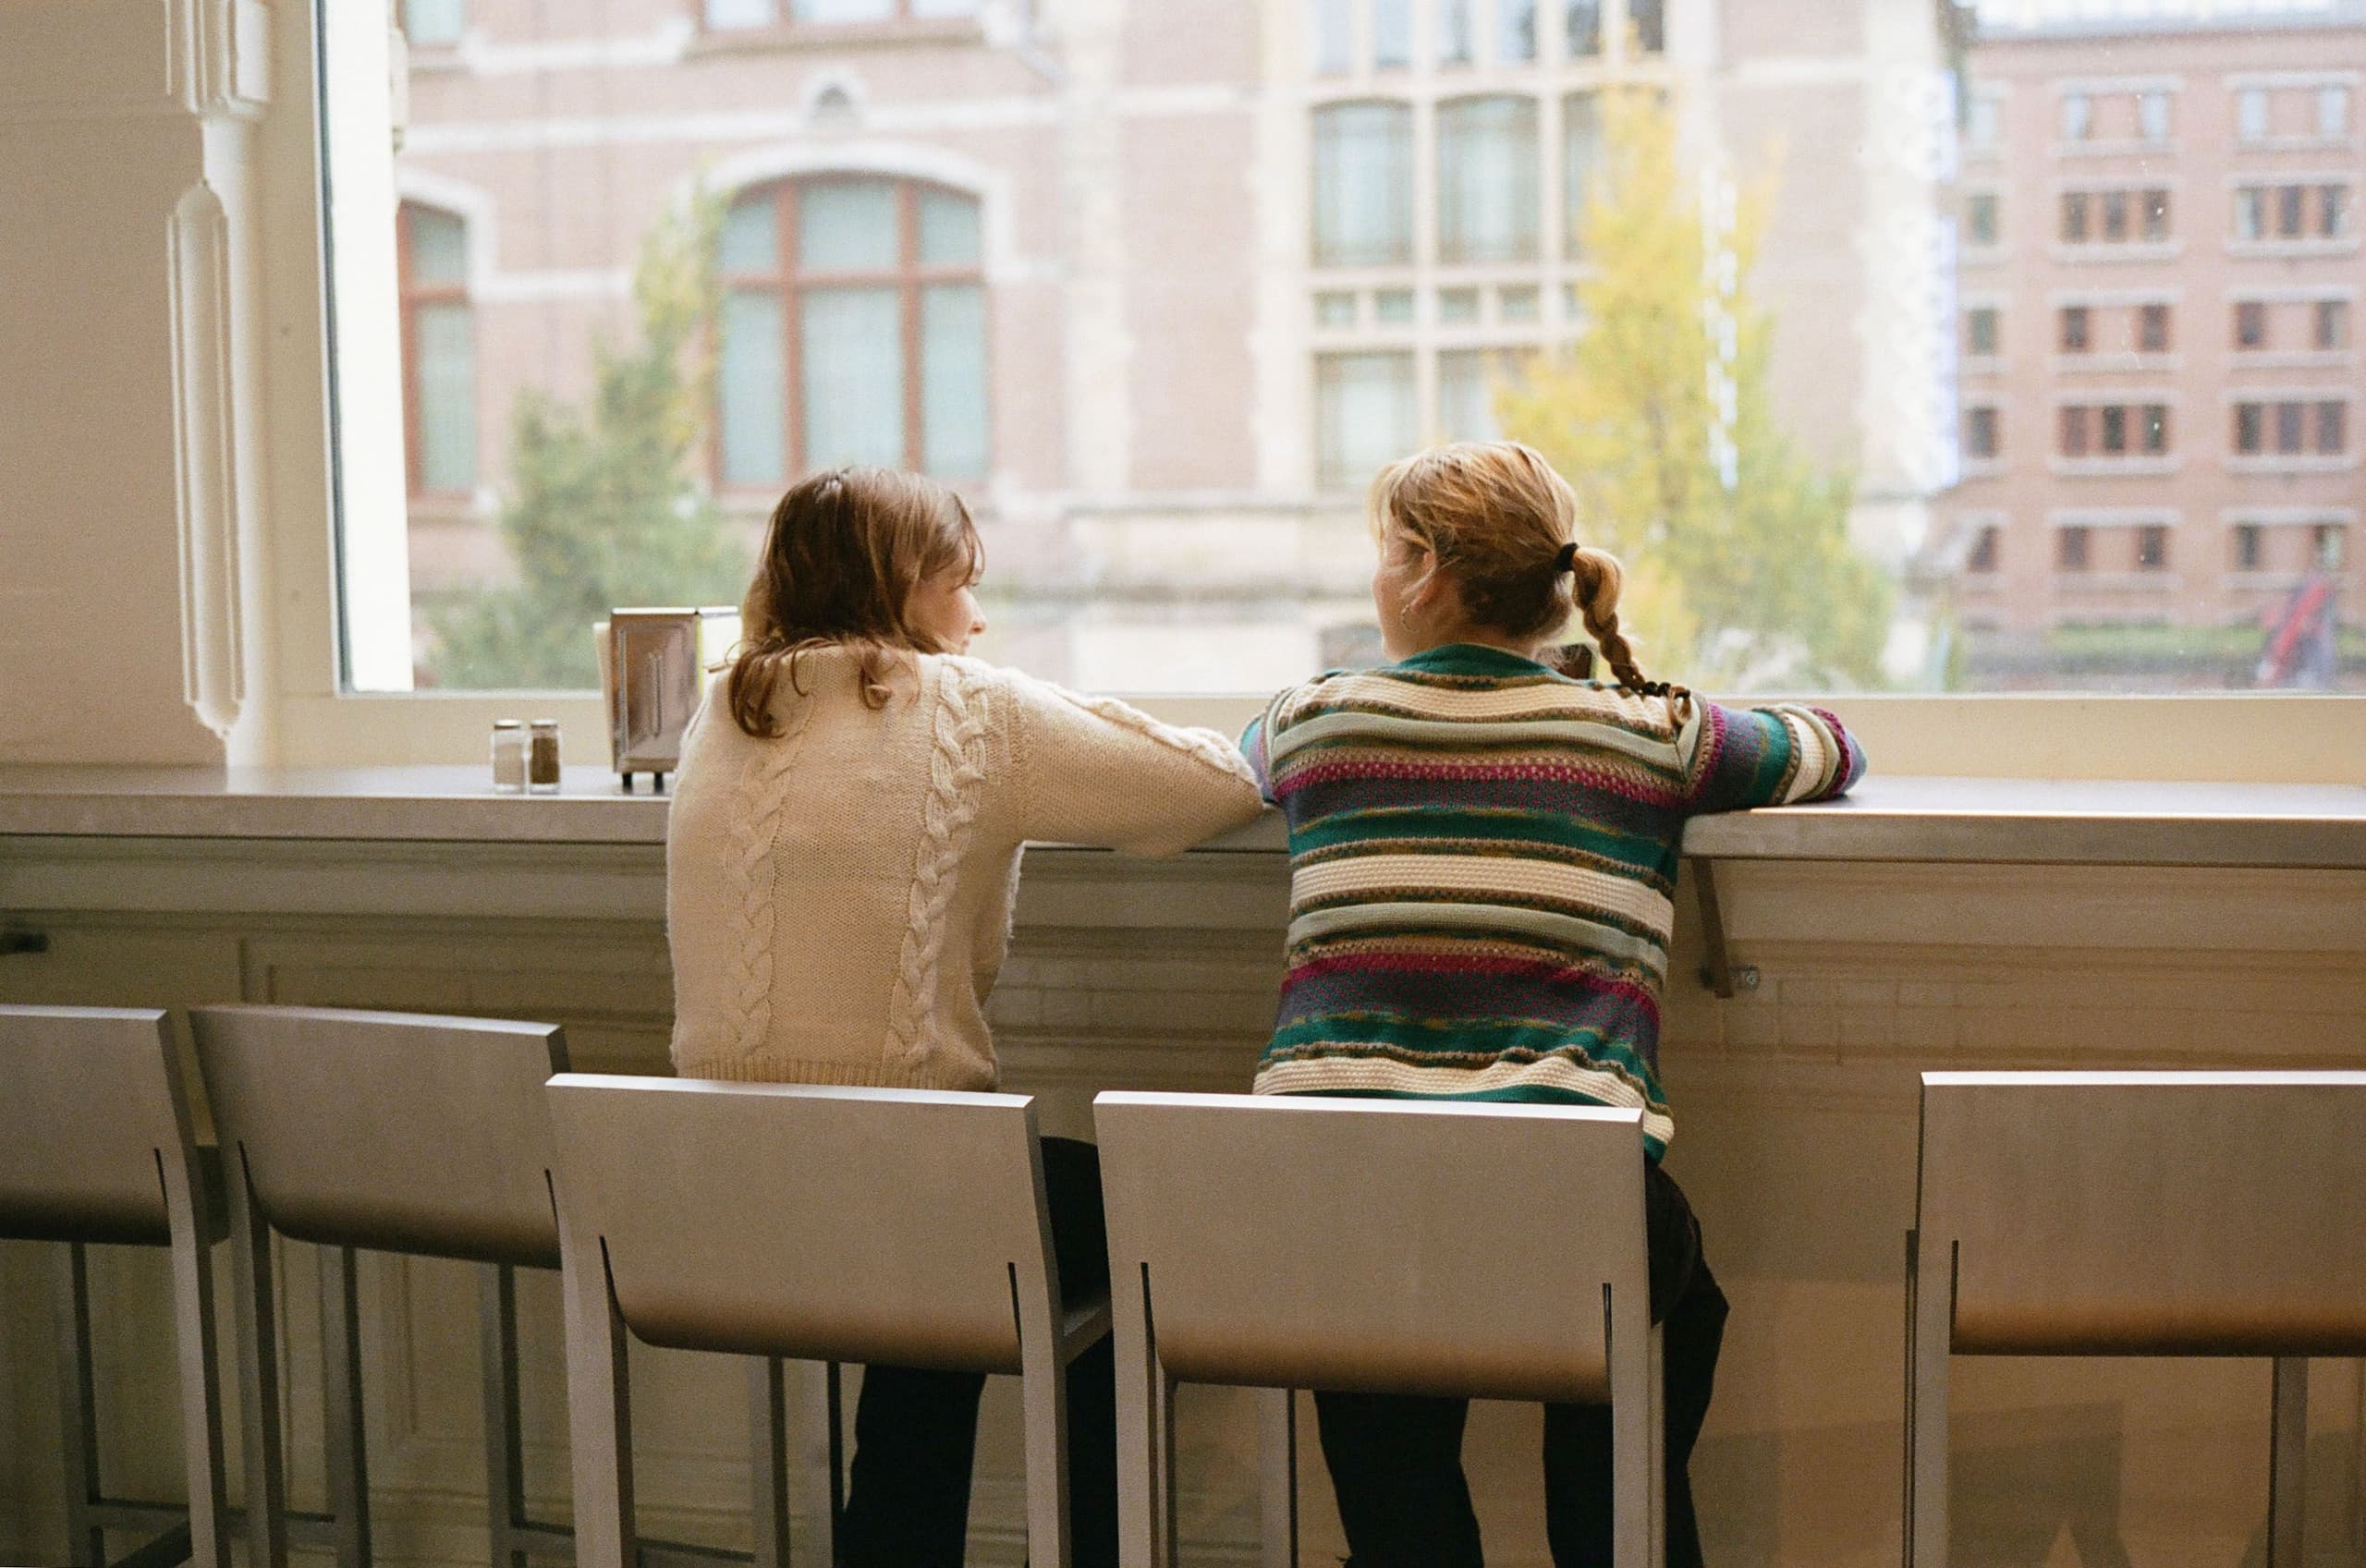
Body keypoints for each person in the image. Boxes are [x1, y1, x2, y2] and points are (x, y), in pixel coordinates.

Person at [1239, 441, 1867, 1568]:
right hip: (1568, 1207)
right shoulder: (1650, 733)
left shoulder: (1312, 721)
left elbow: (1242, 761)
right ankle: (1612, 1528)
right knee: (1667, 1296)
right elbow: (1827, 744)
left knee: (1392, 1434)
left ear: (1423, 567)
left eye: (1383, 554)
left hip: (1337, 1204)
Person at [666, 465, 1265, 1568]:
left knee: (940, 1243)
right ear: (904, 584)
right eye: (960, 583)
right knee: (1136, 1208)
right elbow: (1213, 783)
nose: (977, 616)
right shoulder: (965, 707)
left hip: (719, 1188)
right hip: (907, 1187)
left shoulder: (723, 707)